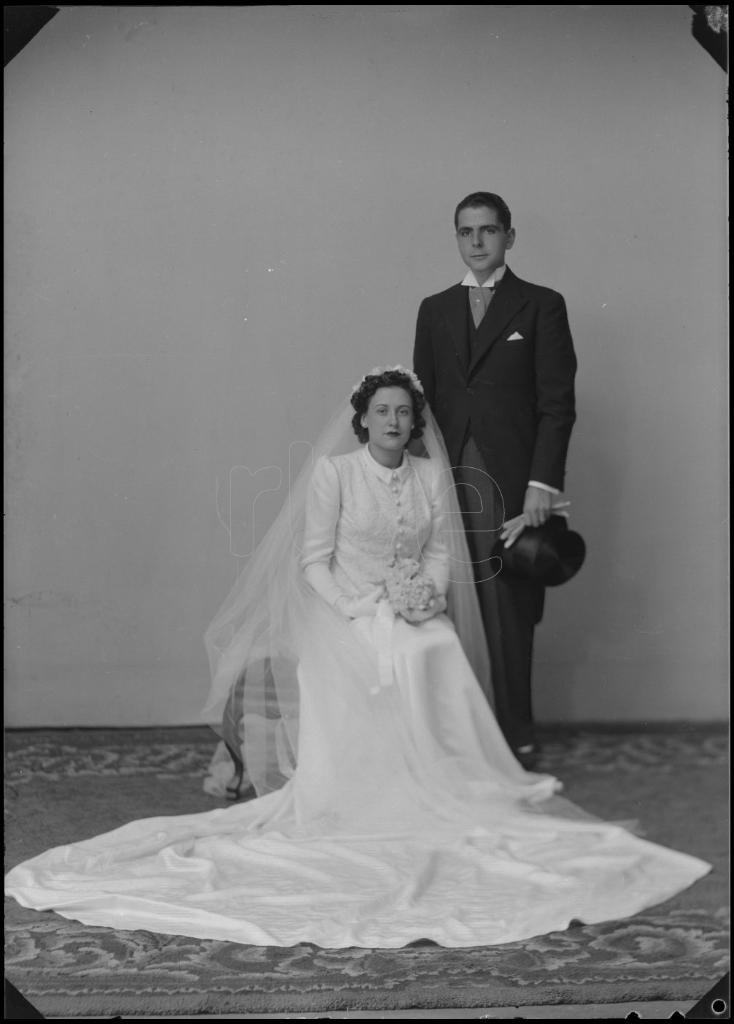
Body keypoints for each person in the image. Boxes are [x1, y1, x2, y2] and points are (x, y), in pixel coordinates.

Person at [5, 368, 709, 950]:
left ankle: (452, 778)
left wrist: (420, 596)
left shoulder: (433, 474)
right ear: (362, 419)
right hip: (336, 606)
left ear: (415, 420)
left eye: (405, 412)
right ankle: (361, 790)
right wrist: (358, 607)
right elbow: (313, 563)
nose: (396, 423)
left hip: (408, 604)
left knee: (433, 648)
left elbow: (439, 552)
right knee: (365, 658)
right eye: (383, 412)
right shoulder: (335, 475)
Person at [414, 192, 578, 769]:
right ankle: (456, 737)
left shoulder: (540, 306)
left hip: (510, 479)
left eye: (488, 231)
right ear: (456, 238)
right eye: (466, 232)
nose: (477, 242)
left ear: (510, 236)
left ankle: (513, 736)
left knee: (509, 605)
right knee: (444, 600)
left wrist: (543, 484)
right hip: (446, 475)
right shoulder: (434, 309)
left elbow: (557, 405)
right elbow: (423, 402)